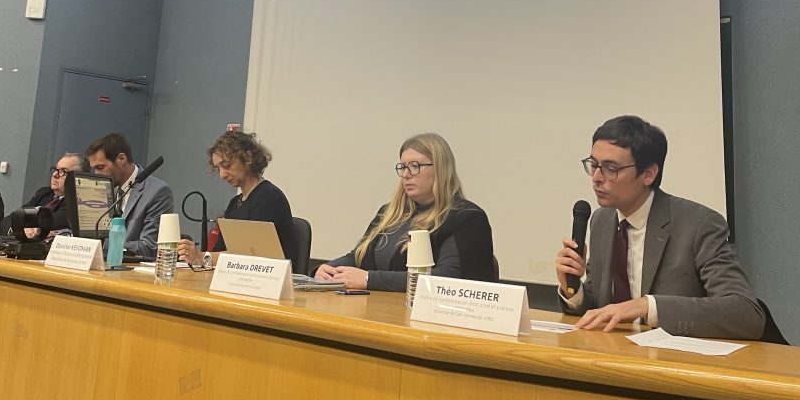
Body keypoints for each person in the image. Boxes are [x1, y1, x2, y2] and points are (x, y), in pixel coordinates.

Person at [554, 115, 764, 339]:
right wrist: (573, 289)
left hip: (675, 357)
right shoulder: (601, 220)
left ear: (648, 174)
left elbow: (746, 314)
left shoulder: (699, 225)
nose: (596, 177)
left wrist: (648, 306)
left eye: (610, 168)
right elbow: (600, 308)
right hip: (616, 354)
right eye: (594, 165)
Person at [315, 133, 496, 291]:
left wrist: (370, 279)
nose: (406, 175)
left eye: (415, 166)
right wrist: (328, 269)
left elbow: (446, 277)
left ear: (440, 169)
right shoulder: (390, 213)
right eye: (403, 167)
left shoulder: (466, 217)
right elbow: (358, 257)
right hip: (377, 308)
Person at [178, 131, 297, 266]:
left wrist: (200, 257)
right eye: (218, 168)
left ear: (248, 158)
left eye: (227, 165)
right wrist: (199, 258)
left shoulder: (269, 197)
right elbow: (220, 250)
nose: (222, 175)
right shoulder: (234, 203)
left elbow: (252, 255)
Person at [86, 133, 173, 259]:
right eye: (94, 169)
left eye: (100, 167)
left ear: (121, 159)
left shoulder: (158, 191)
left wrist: (103, 245)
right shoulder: (107, 189)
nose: (96, 174)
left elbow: (149, 247)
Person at [9, 152, 85, 237]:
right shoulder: (44, 193)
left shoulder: (78, 202)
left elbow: (48, 222)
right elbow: (12, 218)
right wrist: (13, 229)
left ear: (78, 177)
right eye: (55, 170)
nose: (55, 175)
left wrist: (22, 227)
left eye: (62, 171)